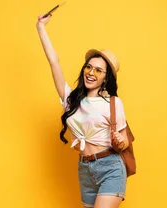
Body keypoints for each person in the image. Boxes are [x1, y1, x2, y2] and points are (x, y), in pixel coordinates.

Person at [36, 13, 130, 208]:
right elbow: (54, 62)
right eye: (89, 67)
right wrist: (41, 28)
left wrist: (120, 141)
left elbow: (124, 141)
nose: (91, 73)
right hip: (85, 170)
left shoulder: (112, 103)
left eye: (98, 70)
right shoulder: (70, 100)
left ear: (106, 78)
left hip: (110, 167)